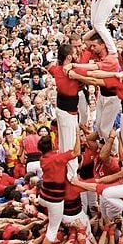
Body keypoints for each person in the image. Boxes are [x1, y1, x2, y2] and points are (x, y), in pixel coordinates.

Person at [35, 130, 81, 244]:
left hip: (43, 196)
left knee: (53, 219)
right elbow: (76, 152)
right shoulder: (57, 158)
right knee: (53, 229)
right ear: (52, 146)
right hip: (54, 200)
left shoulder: (43, 158)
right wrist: (76, 135)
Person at [48, 43, 81, 179]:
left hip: (64, 110)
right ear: (68, 57)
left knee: (64, 143)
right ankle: (71, 177)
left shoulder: (56, 69)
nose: (76, 56)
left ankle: (66, 173)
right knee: (70, 147)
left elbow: (50, 67)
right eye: (74, 54)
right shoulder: (72, 72)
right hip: (68, 113)